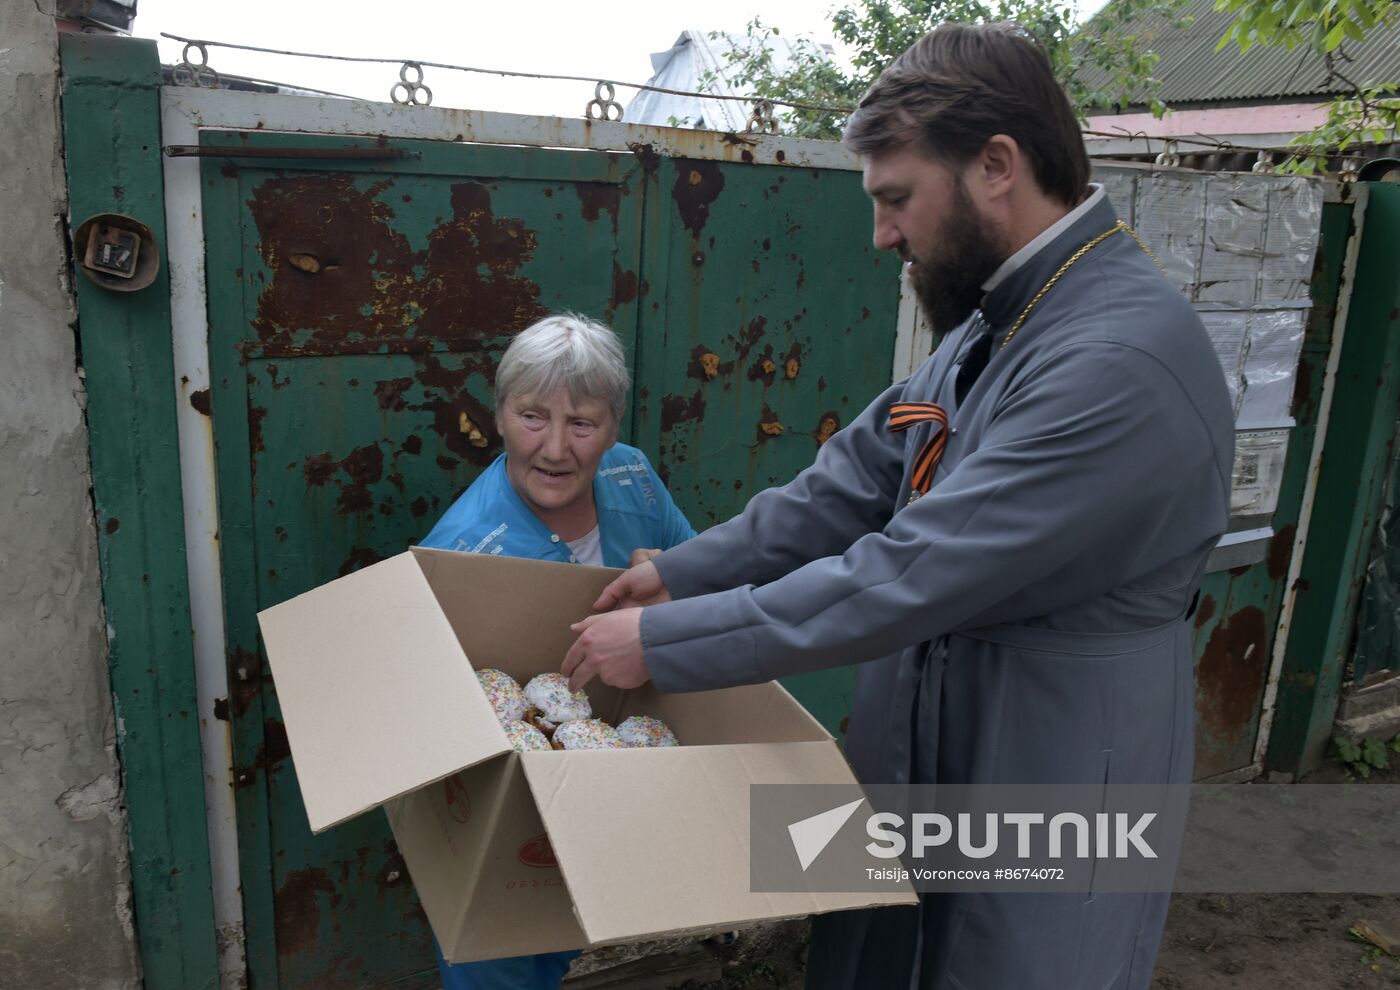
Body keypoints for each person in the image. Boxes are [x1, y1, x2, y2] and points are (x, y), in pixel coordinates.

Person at [561, 23, 1234, 990]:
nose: (882, 235)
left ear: (996, 165)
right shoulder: (997, 324)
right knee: (871, 956)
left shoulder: (1115, 364)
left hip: (1050, 753)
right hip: (924, 740)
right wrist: (678, 570)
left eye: (895, 199)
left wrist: (667, 643)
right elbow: (853, 479)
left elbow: (910, 571)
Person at [419, 312, 694, 989]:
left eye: (583, 423)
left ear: (614, 428)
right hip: (513, 824)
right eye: (532, 415)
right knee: (501, 965)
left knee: (582, 926)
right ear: (500, 414)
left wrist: (671, 585)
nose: (557, 448)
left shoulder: (631, 478)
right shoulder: (461, 549)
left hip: (619, 795)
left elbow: (695, 571)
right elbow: (433, 717)